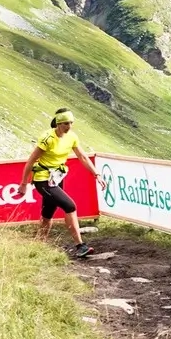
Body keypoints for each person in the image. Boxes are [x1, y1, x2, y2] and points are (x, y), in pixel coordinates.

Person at [20, 107, 105, 258]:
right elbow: (31, 161)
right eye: (66, 123)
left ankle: (38, 245)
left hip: (56, 177)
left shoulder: (72, 137)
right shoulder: (47, 138)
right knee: (70, 206)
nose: (69, 126)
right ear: (58, 123)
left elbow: (83, 157)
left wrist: (96, 174)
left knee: (48, 214)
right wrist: (24, 184)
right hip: (43, 179)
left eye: (71, 123)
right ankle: (80, 246)